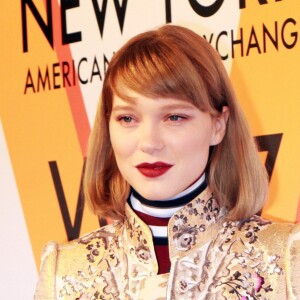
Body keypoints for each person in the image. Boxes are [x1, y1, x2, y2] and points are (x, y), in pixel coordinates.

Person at [34, 25, 300, 300]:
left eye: (174, 117)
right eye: (127, 118)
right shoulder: (64, 273)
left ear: (218, 125)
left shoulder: (287, 259)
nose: (149, 142)